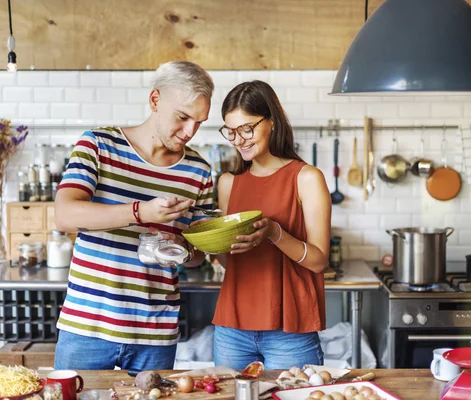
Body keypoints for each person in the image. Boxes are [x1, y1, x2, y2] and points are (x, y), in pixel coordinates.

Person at [53, 61, 215, 374]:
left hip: (155, 335)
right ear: (155, 100)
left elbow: (198, 256)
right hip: (87, 327)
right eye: (182, 117)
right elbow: (64, 215)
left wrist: (183, 247)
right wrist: (141, 212)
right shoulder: (98, 145)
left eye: (199, 122)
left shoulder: (199, 170)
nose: (189, 132)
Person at [211, 80, 332, 369]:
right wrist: (212, 242)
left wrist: (275, 233)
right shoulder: (228, 183)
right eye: (231, 131)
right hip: (232, 328)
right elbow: (232, 263)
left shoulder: (306, 178)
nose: (239, 139)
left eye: (247, 128)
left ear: (273, 122)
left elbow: (318, 261)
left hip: (289, 330)